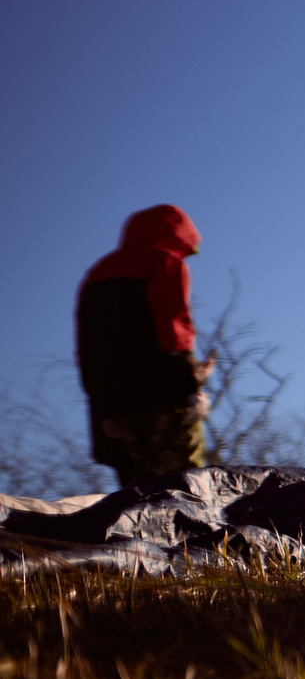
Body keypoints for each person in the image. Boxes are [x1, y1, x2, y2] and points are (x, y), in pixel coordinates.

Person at [76, 204, 212, 489]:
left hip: (112, 412)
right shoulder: (164, 261)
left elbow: (85, 350)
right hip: (164, 401)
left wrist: (100, 408)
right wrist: (190, 387)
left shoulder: (94, 275)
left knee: (135, 501)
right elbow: (173, 326)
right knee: (182, 494)